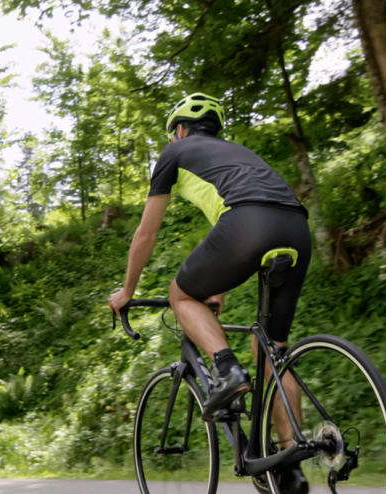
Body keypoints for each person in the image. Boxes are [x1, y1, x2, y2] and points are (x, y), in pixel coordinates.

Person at [107, 92, 313, 493]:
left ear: (179, 130)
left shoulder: (175, 152)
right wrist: (216, 290)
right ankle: (291, 466)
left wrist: (127, 291)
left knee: (180, 295)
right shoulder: (239, 153)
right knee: (272, 353)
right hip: (296, 228)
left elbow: (146, 233)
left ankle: (226, 369)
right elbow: (235, 223)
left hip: (246, 225)